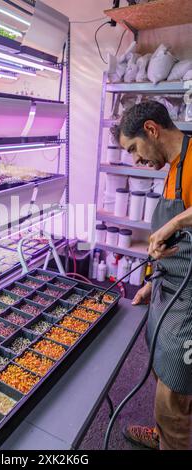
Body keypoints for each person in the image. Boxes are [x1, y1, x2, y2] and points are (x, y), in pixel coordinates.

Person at [111, 101, 192, 451]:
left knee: (173, 397)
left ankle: (171, 440)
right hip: (170, 287)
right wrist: (151, 282)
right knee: (159, 362)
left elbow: (178, 225)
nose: (135, 160)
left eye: (133, 149)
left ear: (151, 130)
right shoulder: (175, 167)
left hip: (190, 298)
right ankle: (161, 436)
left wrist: (174, 222)